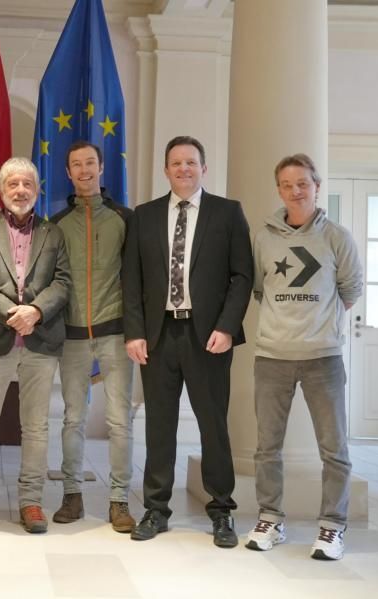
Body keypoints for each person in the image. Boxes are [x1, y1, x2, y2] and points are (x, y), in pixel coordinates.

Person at [122, 135, 253, 547]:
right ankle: (155, 509)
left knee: (213, 425)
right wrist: (134, 332)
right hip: (158, 336)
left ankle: (221, 510)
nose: (184, 169)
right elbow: (131, 279)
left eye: (191, 162)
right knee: (159, 426)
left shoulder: (227, 213)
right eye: (176, 163)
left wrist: (227, 327)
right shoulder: (144, 216)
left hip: (209, 337)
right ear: (166, 170)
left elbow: (242, 276)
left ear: (203, 168)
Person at [246, 153, 362, 560]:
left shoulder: (337, 237)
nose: (295, 191)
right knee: (267, 447)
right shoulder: (264, 238)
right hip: (271, 357)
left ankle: (332, 526)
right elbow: (260, 290)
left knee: (334, 449)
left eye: (302, 184)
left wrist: (317, 326)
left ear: (316, 186)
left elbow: (350, 291)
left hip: (323, 359)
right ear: (279, 190)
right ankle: (270, 519)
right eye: (287, 185)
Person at [0, 157, 71, 534]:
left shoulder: (54, 234)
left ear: (37, 191)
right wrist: (13, 313)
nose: (20, 191)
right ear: (1, 190)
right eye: (13, 184)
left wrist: (35, 311)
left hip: (41, 341)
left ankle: (31, 502)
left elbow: (63, 282)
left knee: (36, 427)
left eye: (27, 184)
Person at [50, 141, 135, 532]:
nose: (84, 170)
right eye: (76, 165)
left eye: (90, 163)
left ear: (101, 168)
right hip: (71, 336)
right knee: (73, 419)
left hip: (115, 331)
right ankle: (72, 495)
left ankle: (119, 500)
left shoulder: (123, 218)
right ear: (68, 173)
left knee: (119, 421)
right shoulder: (57, 223)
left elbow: (136, 277)